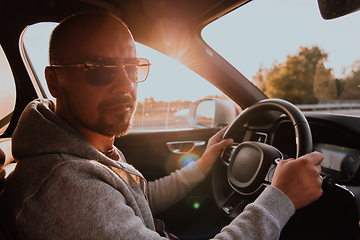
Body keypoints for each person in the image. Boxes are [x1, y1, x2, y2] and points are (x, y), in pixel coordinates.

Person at [1, 12, 323, 239]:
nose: (124, 85)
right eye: (98, 68)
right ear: (54, 81)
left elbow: (141, 199)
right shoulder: (67, 189)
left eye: (131, 65)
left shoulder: (84, 148)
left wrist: (202, 164)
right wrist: (280, 197)